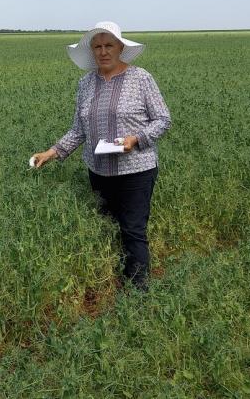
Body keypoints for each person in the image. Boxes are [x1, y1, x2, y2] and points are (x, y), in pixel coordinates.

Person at [31, 21, 171, 291]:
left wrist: (137, 139)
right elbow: (78, 129)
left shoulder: (141, 78)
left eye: (109, 45)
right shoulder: (85, 83)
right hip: (99, 171)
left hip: (136, 170)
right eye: (98, 46)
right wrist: (52, 152)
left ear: (120, 48)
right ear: (92, 51)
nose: (103, 51)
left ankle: (137, 292)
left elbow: (163, 119)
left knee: (132, 230)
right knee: (106, 224)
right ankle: (110, 277)